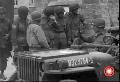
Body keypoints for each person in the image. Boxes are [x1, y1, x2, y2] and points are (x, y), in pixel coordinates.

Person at [0, 7, 12, 80]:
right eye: (0, 14)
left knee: (4, 59)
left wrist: (9, 35)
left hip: (4, 44)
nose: (2, 15)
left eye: (3, 14)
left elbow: (11, 30)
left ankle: (2, 73)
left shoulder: (8, 21)